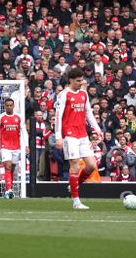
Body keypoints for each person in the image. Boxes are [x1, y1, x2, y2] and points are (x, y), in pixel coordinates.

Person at [55, 67, 103, 210]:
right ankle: (76, 201)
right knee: (75, 164)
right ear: (70, 80)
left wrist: (97, 128)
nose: (81, 83)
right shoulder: (64, 95)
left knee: (91, 166)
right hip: (69, 135)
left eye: (82, 80)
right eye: (78, 81)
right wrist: (58, 137)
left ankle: (74, 185)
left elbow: (88, 113)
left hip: (83, 134)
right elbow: (58, 116)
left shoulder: (83, 93)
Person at [0, 98, 28, 199]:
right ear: (5, 106)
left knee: (12, 168)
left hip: (16, 146)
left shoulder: (19, 117)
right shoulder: (1, 117)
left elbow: (24, 132)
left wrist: (26, 145)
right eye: (7, 105)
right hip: (5, 146)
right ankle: (9, 190)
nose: (9, 107)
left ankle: (8, 188)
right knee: (8, 166)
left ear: (13, 106)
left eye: (11, 105)